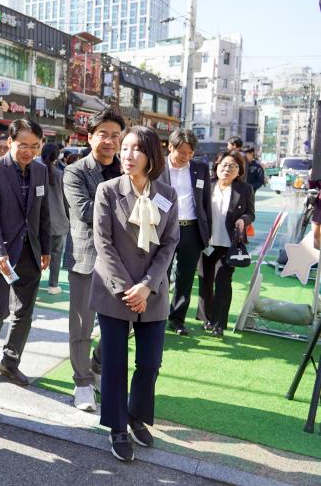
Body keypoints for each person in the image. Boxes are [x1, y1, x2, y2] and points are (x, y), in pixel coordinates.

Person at [90, 125, 179, 463]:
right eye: (124, 148)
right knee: (114, 363)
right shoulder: (108, 190)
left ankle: (135, 415)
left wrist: (148, 285)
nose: (127, 155)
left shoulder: (166, 194)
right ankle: (115, 426)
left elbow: (170, 243)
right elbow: (104, 243)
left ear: (151, 156)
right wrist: (128, 288)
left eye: (135, 150)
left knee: (150, 362)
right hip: (115, 291)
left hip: (152, 292)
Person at [0, 120, 51, 387]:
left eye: (34, 146)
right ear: (10, 142)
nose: (28, 151)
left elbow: (43, 211)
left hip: (30, 251)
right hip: (1, 253)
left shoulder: (41, 171)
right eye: (23, 145)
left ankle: (10, 362)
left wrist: (46, 246)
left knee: (24, 313)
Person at [63, 108, 126, 412]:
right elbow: (85, 212)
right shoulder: (75, 172)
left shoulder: (128, 170)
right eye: (104, 134)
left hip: (123, 262)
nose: (110, 141)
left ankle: (98, 367)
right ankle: (82, 383)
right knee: (81, 326)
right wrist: (127, 212)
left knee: (123, 325)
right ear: (90, 137)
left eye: (115, 135)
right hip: (86, 258)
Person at [157, 130, 212, 337]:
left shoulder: (200, 169)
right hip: (164, 229)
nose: (185, 157)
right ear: (170, 147)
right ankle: (156, 316)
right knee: (160, 274)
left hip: (192, 229)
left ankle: (177, 319)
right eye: (181, 152)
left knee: (185, 277)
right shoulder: (158, 167)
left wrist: (208, 233)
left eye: (190, 152)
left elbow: (205, 201)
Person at [199, 150, 255, 337]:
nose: (227, 169)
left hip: (228, 245)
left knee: (223, 282)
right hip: (206, 243)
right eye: (224, 165)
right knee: (205, 282)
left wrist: (243, 220)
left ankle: (219, 324)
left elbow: (250, 213)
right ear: (217, 166)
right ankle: (207, 319)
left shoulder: (244, 189)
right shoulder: (208, 184)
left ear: (239, 170)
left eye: (233, 166)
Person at [40, 142, 70, 295]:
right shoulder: (60, 174)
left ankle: (34, 282)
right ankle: (53, 285)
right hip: (58, 221)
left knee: (36, 253)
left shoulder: (36, 170)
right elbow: (66, 200)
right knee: (56, 254)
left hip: (38, 222)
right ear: (57, 155)